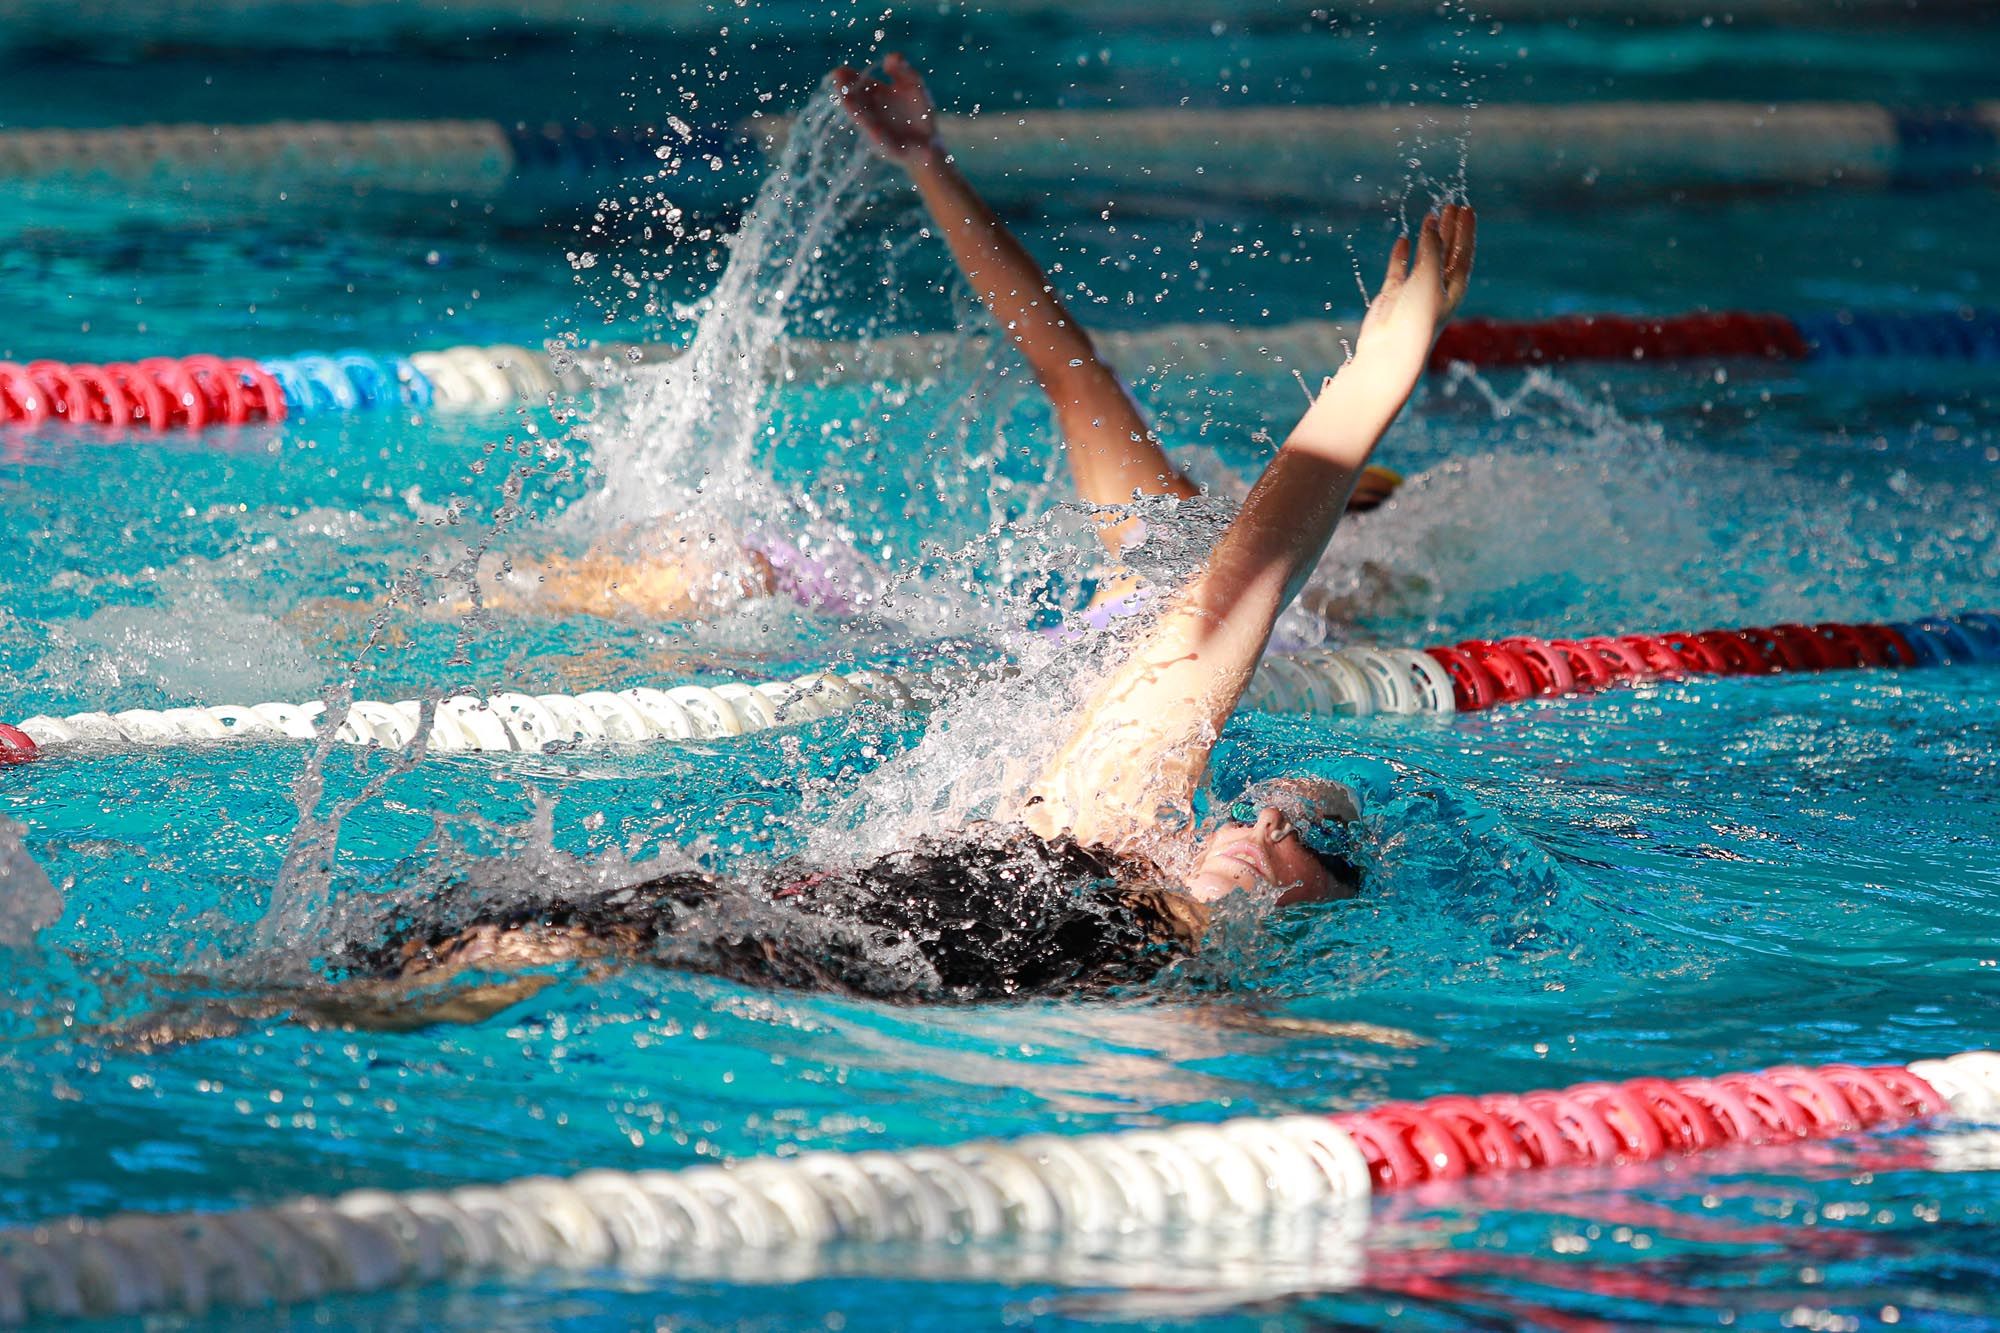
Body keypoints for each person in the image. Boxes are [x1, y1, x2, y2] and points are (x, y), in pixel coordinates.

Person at [475, 57, 1400, 626]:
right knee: (722, 561)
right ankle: (455, 608)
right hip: (970, 670)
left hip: (982, 682)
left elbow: (1067, 368)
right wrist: (926, 162)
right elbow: (1062, 359)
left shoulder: (1259, 592)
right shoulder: (1175, 550)